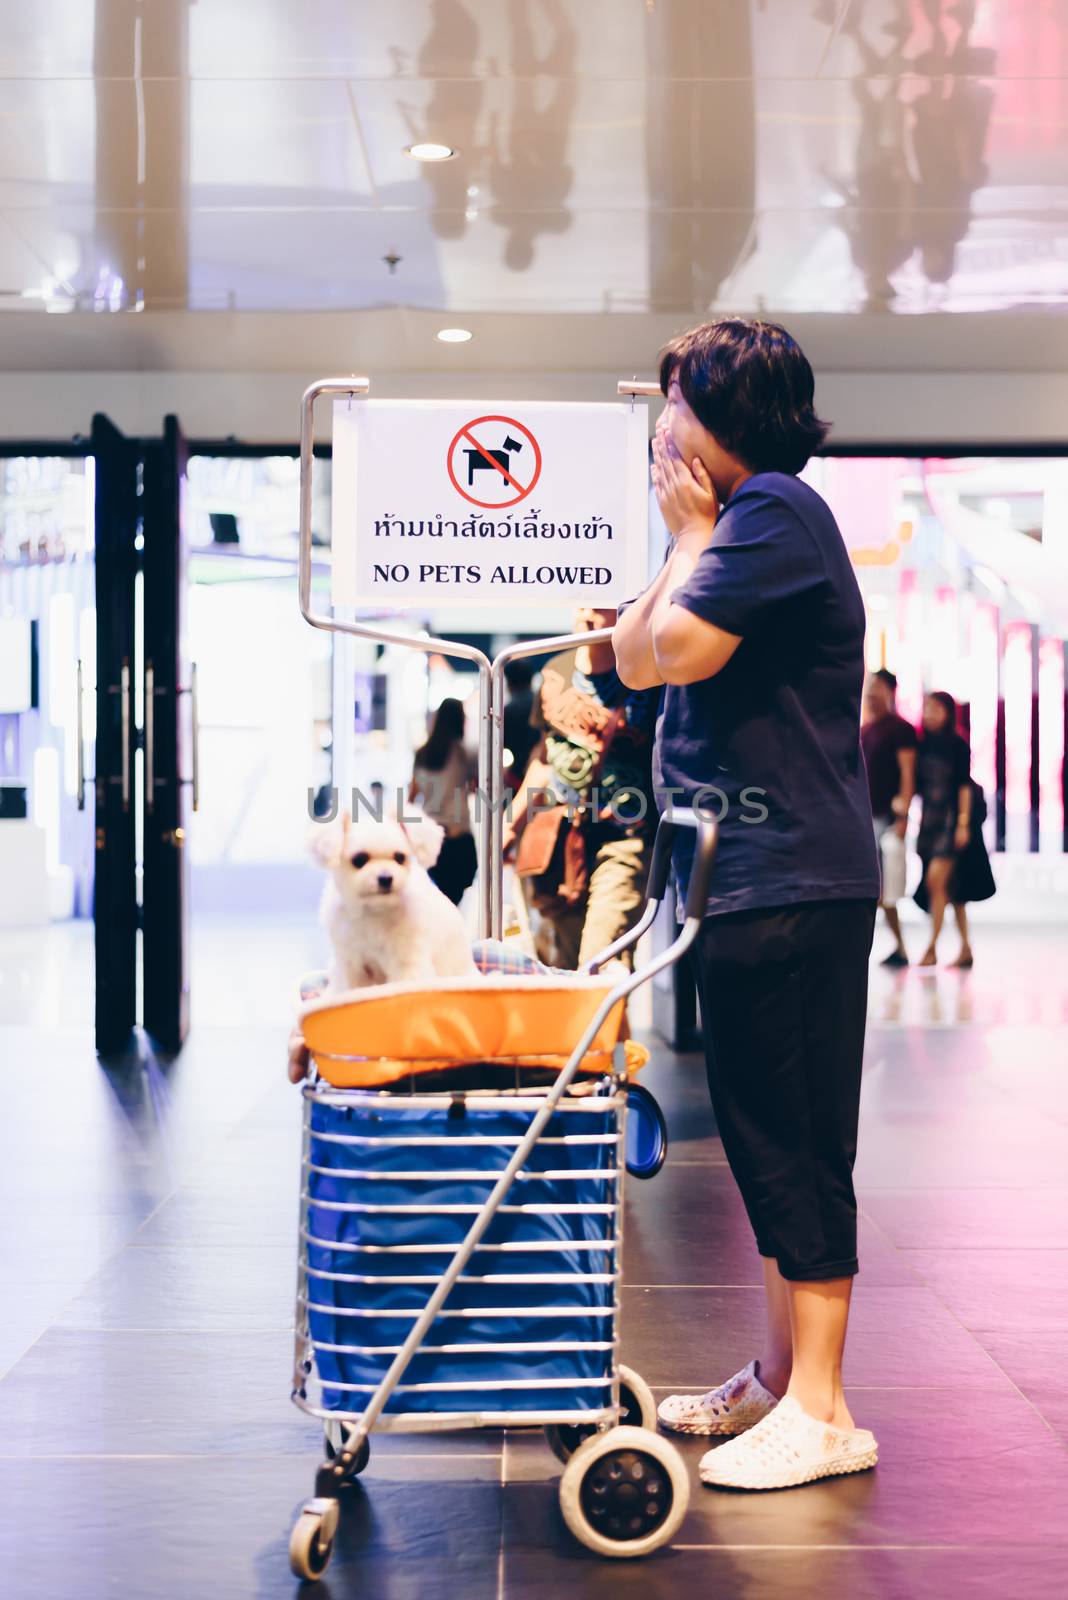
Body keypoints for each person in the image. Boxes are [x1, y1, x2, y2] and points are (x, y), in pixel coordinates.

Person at [613, 318, 881, 1492]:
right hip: (747, 878)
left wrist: (686, 538)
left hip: (795, 878)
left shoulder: (770, 511)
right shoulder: (735, 524)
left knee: (801, 1141)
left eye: (676, 401)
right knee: (768, 1140)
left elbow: (677, 646)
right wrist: (683, 544)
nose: (663, 424)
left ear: (725, 415)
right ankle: (781, 1382)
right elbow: (631, 657)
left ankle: (822, 1409)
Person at [503, 607, 659, 971]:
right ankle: (607, 1031)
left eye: (601, 599)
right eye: (581, 599)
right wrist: (513, 822)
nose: (587, 610)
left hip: (625, 835)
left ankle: (604, 1028)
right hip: (562, 839)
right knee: (567, 964)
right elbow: (544, 756)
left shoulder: (647, 671)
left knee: (599, 957)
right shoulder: (555, 672)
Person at [912, 690, 995, 967]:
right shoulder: (922, 745)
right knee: (952, 889)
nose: (930, 714)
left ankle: (932, 947)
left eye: (936, 708)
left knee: (935, 882)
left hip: (950, 822)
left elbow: (964, 786)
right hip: (930, 821)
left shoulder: (957, 744)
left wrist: (962, 823)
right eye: (928, 708)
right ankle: (965, 949)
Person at [860, 668, 917, 967]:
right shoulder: (866, 729)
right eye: (870, 685)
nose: (871, 692)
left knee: (882, 888)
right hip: (865, 815)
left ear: (890, 691)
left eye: (877, 686)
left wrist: (903, 816)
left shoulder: (900, 729)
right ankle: (899, 946)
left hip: (885, 817)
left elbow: (908, 771)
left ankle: (899, 946)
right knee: (877, 889)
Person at [408, 697, 477, 906]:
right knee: (456, 895)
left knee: (439, 895)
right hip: (457, 834)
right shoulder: (464, 753)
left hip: (432, 835)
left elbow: (413, 794)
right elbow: (477, 786)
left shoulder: (422, 753)